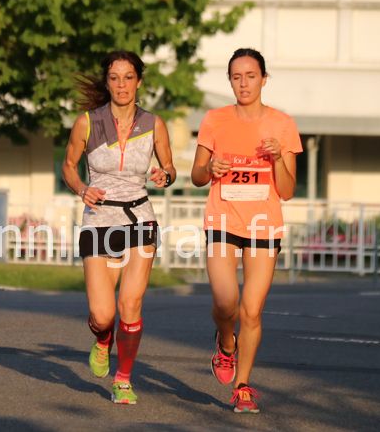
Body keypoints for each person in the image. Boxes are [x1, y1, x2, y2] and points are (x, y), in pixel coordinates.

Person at [191, 48, 302, 413]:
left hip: (263, 225)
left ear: (263, 80)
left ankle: (243, 386)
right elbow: (196, 176)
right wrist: (211, 168)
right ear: (230, 81)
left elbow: (287, 190)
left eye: (251, 76)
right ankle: (227, 344)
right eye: (236, 77)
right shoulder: (215, 120)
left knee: (251, 311)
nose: (244, 83)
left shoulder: (283, 125)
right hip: (223, 220)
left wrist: (276, 158)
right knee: (226, 302)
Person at [62, 50, 176, 405]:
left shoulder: (154, 124)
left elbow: (170, 168)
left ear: (138, 81)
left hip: (139, 216)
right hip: (99, 219)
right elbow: (68, 166)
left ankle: (123, 379)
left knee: (130, 303)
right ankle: (102, 338)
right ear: (107, 82)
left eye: (128, 77)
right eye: (114, 78)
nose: (122, 85)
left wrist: (165, 175)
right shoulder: (87, 122)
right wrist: (81, 188)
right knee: (102, 315)